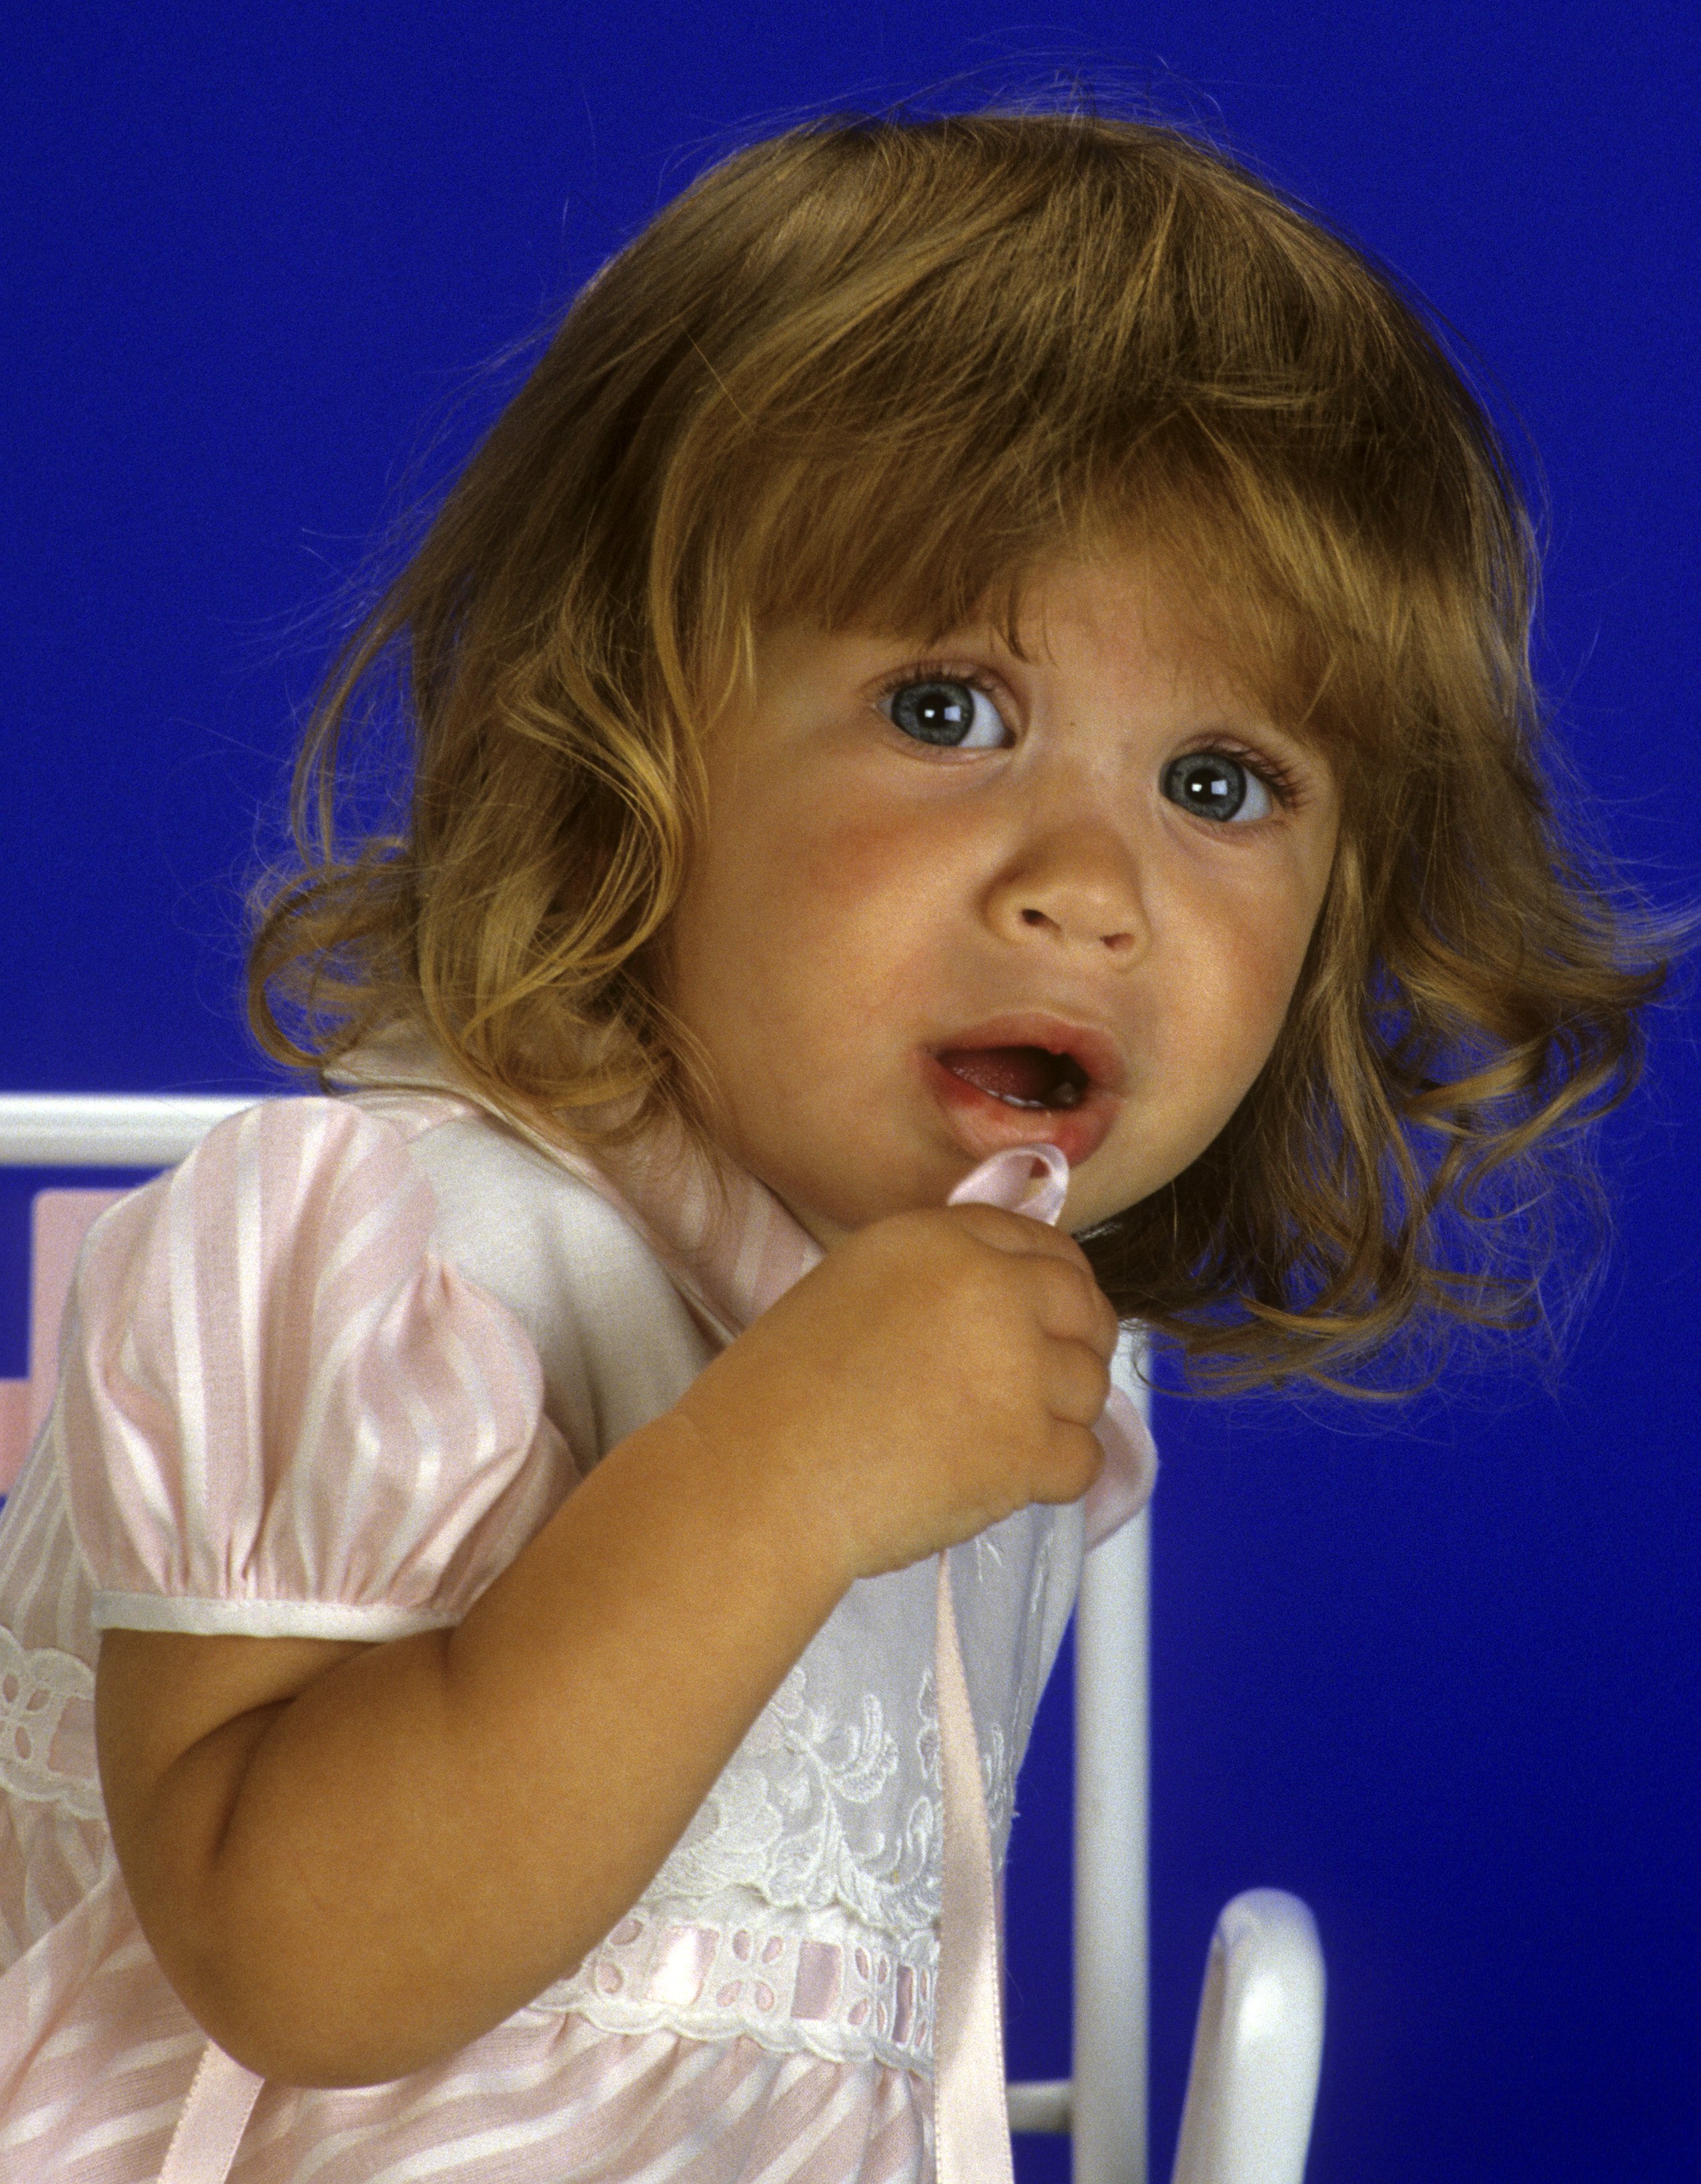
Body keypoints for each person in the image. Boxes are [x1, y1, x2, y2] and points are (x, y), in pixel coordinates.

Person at [0, 110, 1669, 2183]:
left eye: (1224, 781)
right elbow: (291, 1956)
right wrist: (784, 1468)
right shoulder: (386, 1257)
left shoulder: (986, 1393)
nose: (1090, 882)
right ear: (628, 738)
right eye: (950, 710)